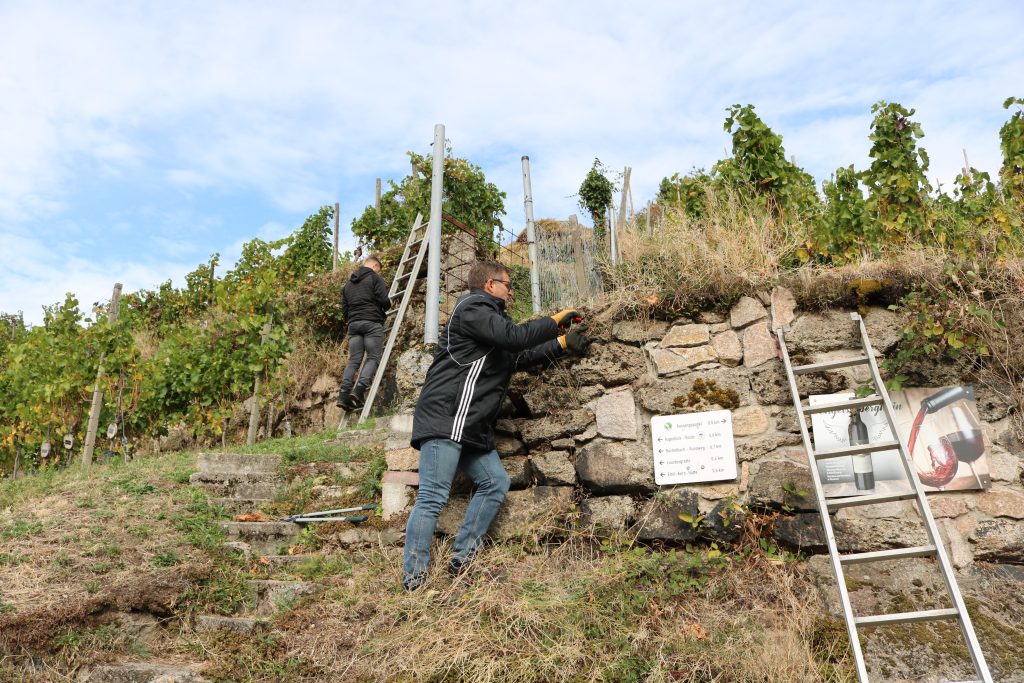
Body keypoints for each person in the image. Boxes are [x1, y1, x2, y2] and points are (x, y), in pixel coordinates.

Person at [402, 259, 594, 591]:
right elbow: (515, 338)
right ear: (490, 285)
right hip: (447, 416)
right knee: (432, 496)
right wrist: (554, 321)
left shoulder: (492, 323)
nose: (511, 292)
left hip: (470, 425)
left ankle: (462, 559)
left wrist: (562, 344)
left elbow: (516, 357)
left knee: (495, 482)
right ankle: (414, 578)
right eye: (508, 285)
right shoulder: (472, 308)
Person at [338, 256, 391, 411]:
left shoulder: (347, 285)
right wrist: (386, 306)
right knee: (373, 357)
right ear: (375, 266)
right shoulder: (375, 278)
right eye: (378, 269)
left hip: (353, 325)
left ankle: (343, 395)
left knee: (354, 360)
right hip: (371, 322)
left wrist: (354, 318)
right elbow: (385, 301)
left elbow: (345, 310)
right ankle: (359, 390)